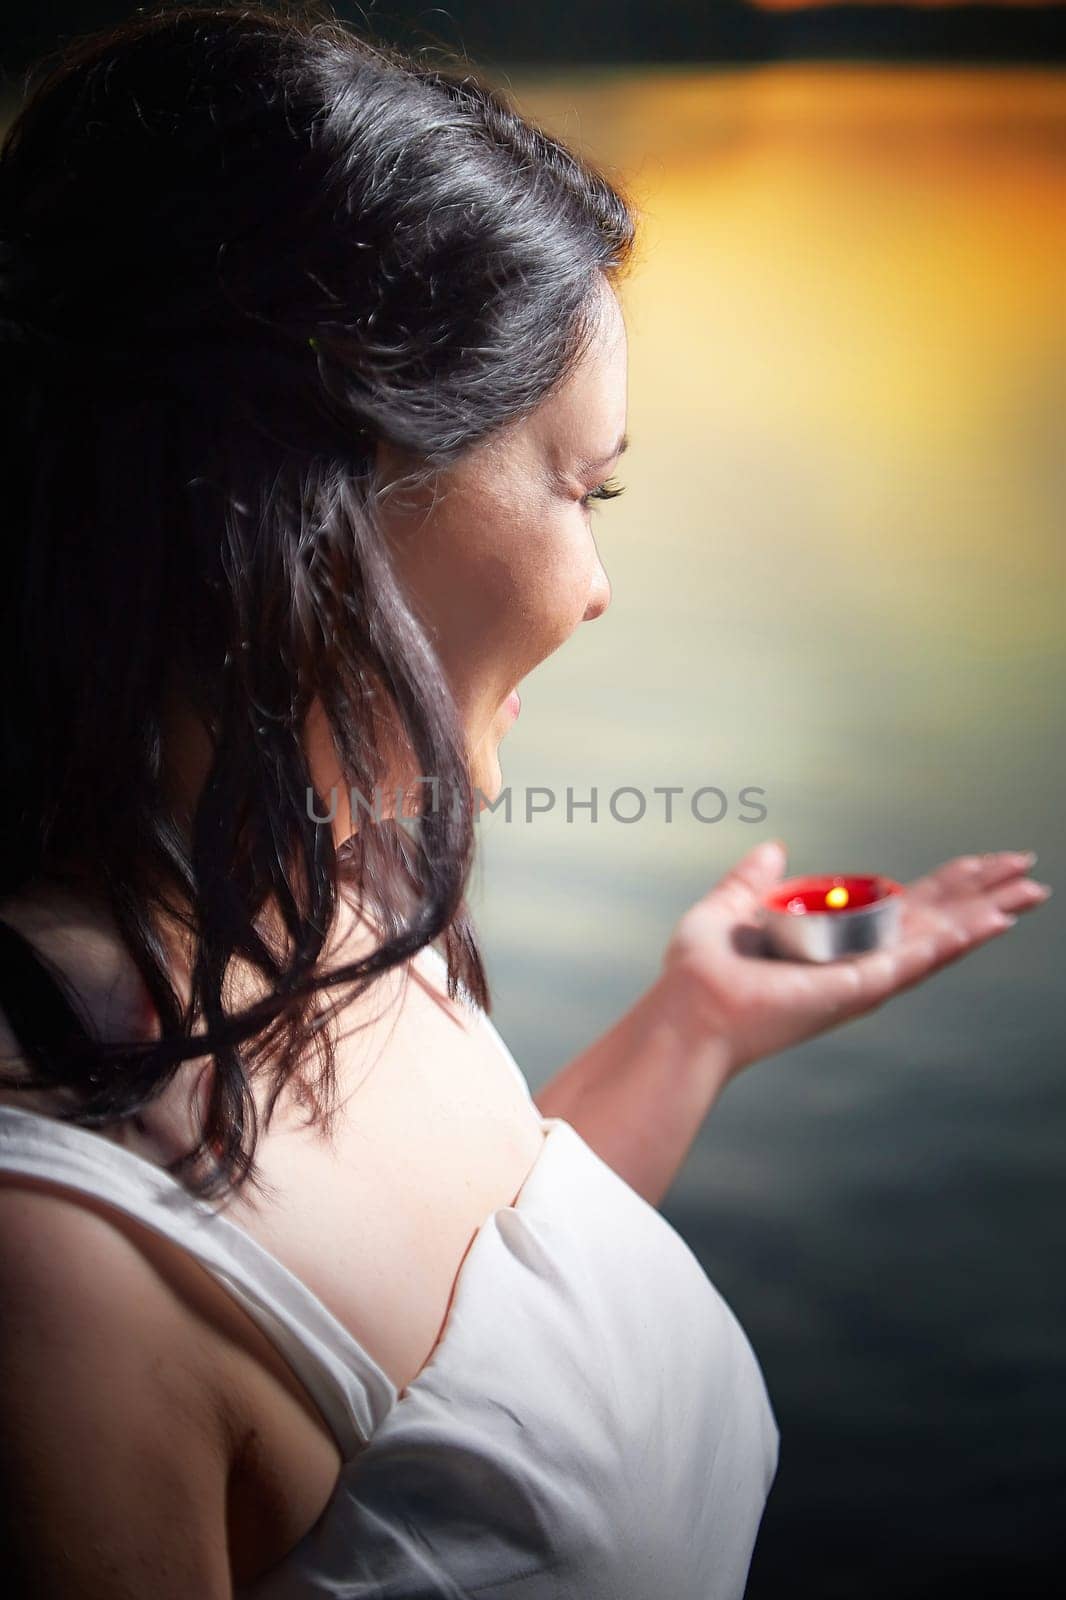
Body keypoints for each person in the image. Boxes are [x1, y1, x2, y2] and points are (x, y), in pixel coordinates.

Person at [0, 5, 1051, 1597]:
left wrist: (693, 1024)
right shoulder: (50, 1274)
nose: (599, 584)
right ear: (321, 502)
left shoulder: (321, 888)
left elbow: (467, 1382)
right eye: (582, 485)